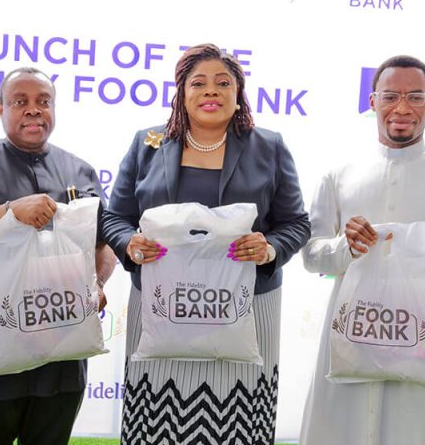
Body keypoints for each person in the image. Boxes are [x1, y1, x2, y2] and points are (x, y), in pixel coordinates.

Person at [101, 43, 311, 444]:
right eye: (198, 83)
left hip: (247, 309)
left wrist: (269, 248)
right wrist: (129, 243)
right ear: (182, 92)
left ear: (238, 93)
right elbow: (114, 217)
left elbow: (296, 223)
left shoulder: (269, 146)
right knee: (158, 425)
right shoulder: (147, 143)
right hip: (163, 307)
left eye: (223, 83)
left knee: (236, 427)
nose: (211, 90)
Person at [299, 54, 425, 444]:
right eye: (390, 96)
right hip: (347, 349)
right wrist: (345, 247)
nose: (402, 108)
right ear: (373, 101)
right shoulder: (340, 173)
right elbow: (312, 255)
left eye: (415, 97)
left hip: (421, 358)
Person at [0, 66, 116, 445]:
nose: (33, 109)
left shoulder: (79, 170)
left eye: (43, 101)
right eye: (20, 102)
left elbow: (104, 242)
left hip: (63, 356)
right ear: (0, 108)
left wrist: (97, 283)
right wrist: (9, 212)